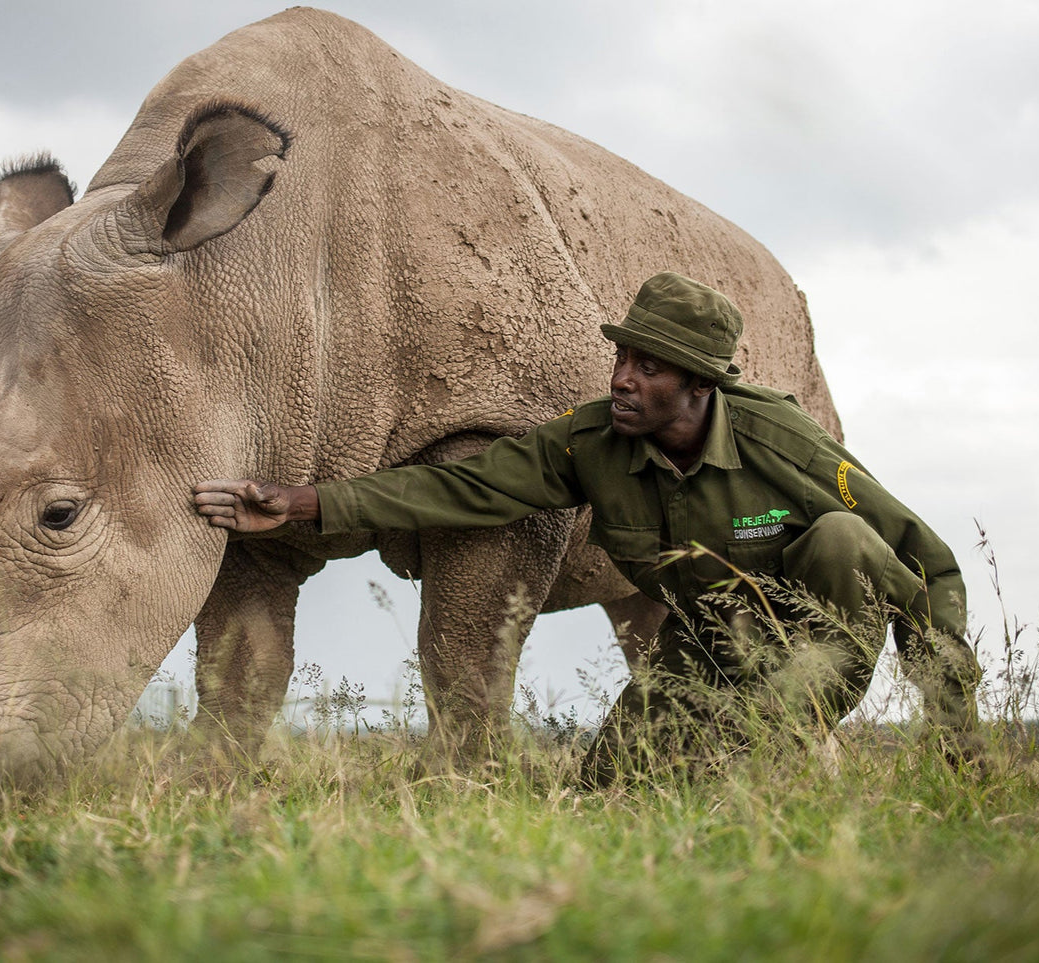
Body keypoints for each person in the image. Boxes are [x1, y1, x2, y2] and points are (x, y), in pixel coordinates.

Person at [193, 272, 980, 785]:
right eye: (623, 356)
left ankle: (772, 750)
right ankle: (721, 758)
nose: (621, 378)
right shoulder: (592, 441)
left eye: (647, 366)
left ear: (699, 385)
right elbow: (464, 486)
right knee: (606, 790)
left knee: (843, 538)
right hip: (706, 642)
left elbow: (922, 557)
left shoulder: (780, 441)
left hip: (815, 644)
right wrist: (303, 504)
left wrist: (956, 728)